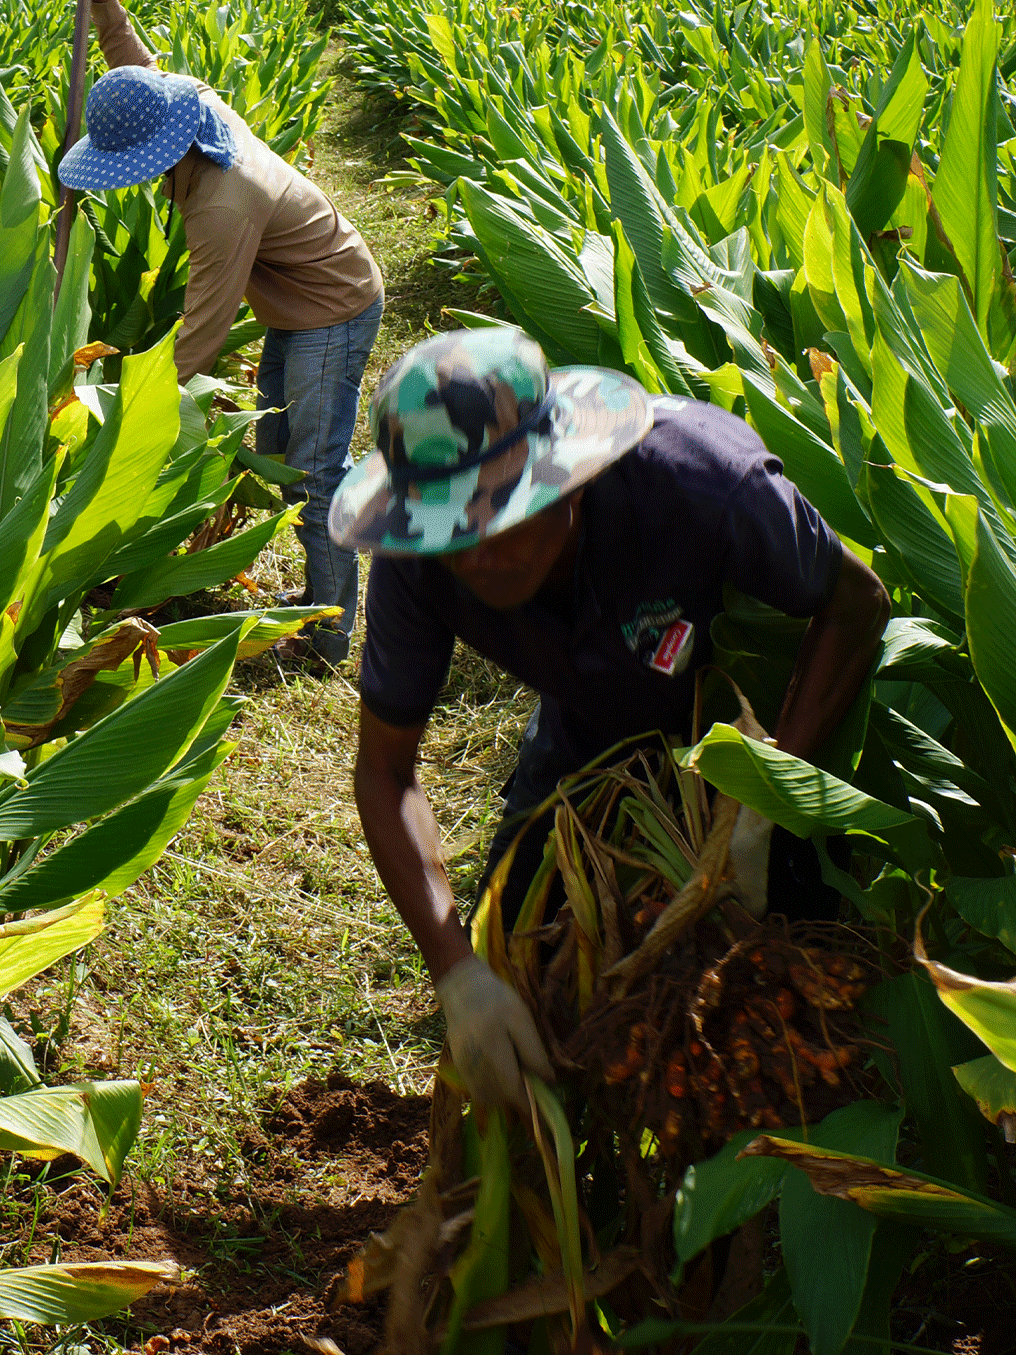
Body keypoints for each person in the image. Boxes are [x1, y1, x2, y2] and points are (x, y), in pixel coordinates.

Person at [329, 327, 891, 1114]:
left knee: (779, 999)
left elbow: (857, 603)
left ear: (573, 478)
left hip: (744, 726)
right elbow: (386, 772)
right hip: (590, 719)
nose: (478, 553)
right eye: (456, 533)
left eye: (502, 518)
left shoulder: (701, 485)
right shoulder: (422, 553)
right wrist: (455, 968)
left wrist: (769, 797)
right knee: (522, 956)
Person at [58, 0, 385, 662]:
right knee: (279, 451)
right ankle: (323, 572)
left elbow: (200, 342)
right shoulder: (191, 111)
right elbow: (136, 74)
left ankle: (330, 634)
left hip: (334, 306)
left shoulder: (222, 207)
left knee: (314, 468)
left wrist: (111, 417)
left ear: (162, 152)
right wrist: (105, 0)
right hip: (294, 307)